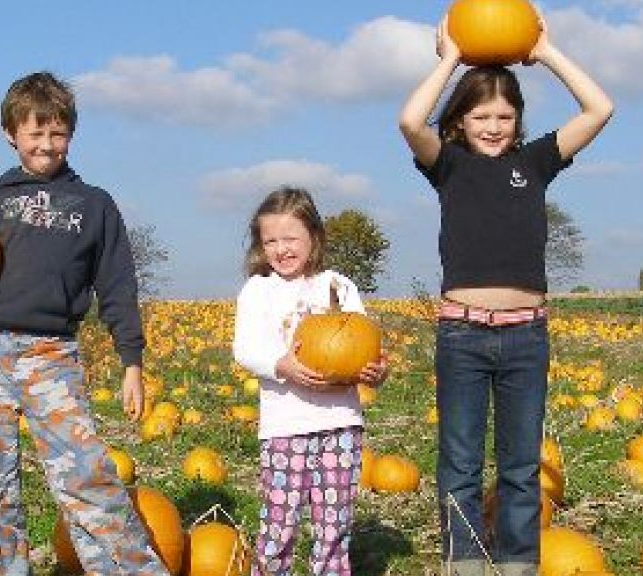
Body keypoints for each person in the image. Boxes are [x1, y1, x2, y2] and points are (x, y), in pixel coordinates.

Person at [0, 71, 170, 576]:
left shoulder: (94, 205)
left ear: (72, 133)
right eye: (35, 133)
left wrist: (131, 361)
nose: (47, 145)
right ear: (11, 134)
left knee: (87, 478)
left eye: (58, 133)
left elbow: (117, 285)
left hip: (51, 354)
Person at [398, 12, 613, 576]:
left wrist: (546, 52)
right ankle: (465, 564)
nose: (493, 126)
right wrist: (451, 58)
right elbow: (410, 120)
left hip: (526, 338)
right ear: (460, 121)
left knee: (520, 466)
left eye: (504, 116)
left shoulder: (534, 163)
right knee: (460, 464)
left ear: (518, 121)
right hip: (462, 336)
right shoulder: (448, 166)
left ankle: (519, 564)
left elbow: (599, 109)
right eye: (480, 116)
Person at [232, 186, 389, 576]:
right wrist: (281, 365)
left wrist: (376, 372)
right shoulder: (258, 290)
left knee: (334, 524)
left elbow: (362, 344)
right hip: (284, 428)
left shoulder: (338, 286)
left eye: (290, 239)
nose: (281, 249)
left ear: (313, 237)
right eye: (270, 241)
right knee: (279, 522)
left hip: (340, 425)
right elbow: (245, 348)